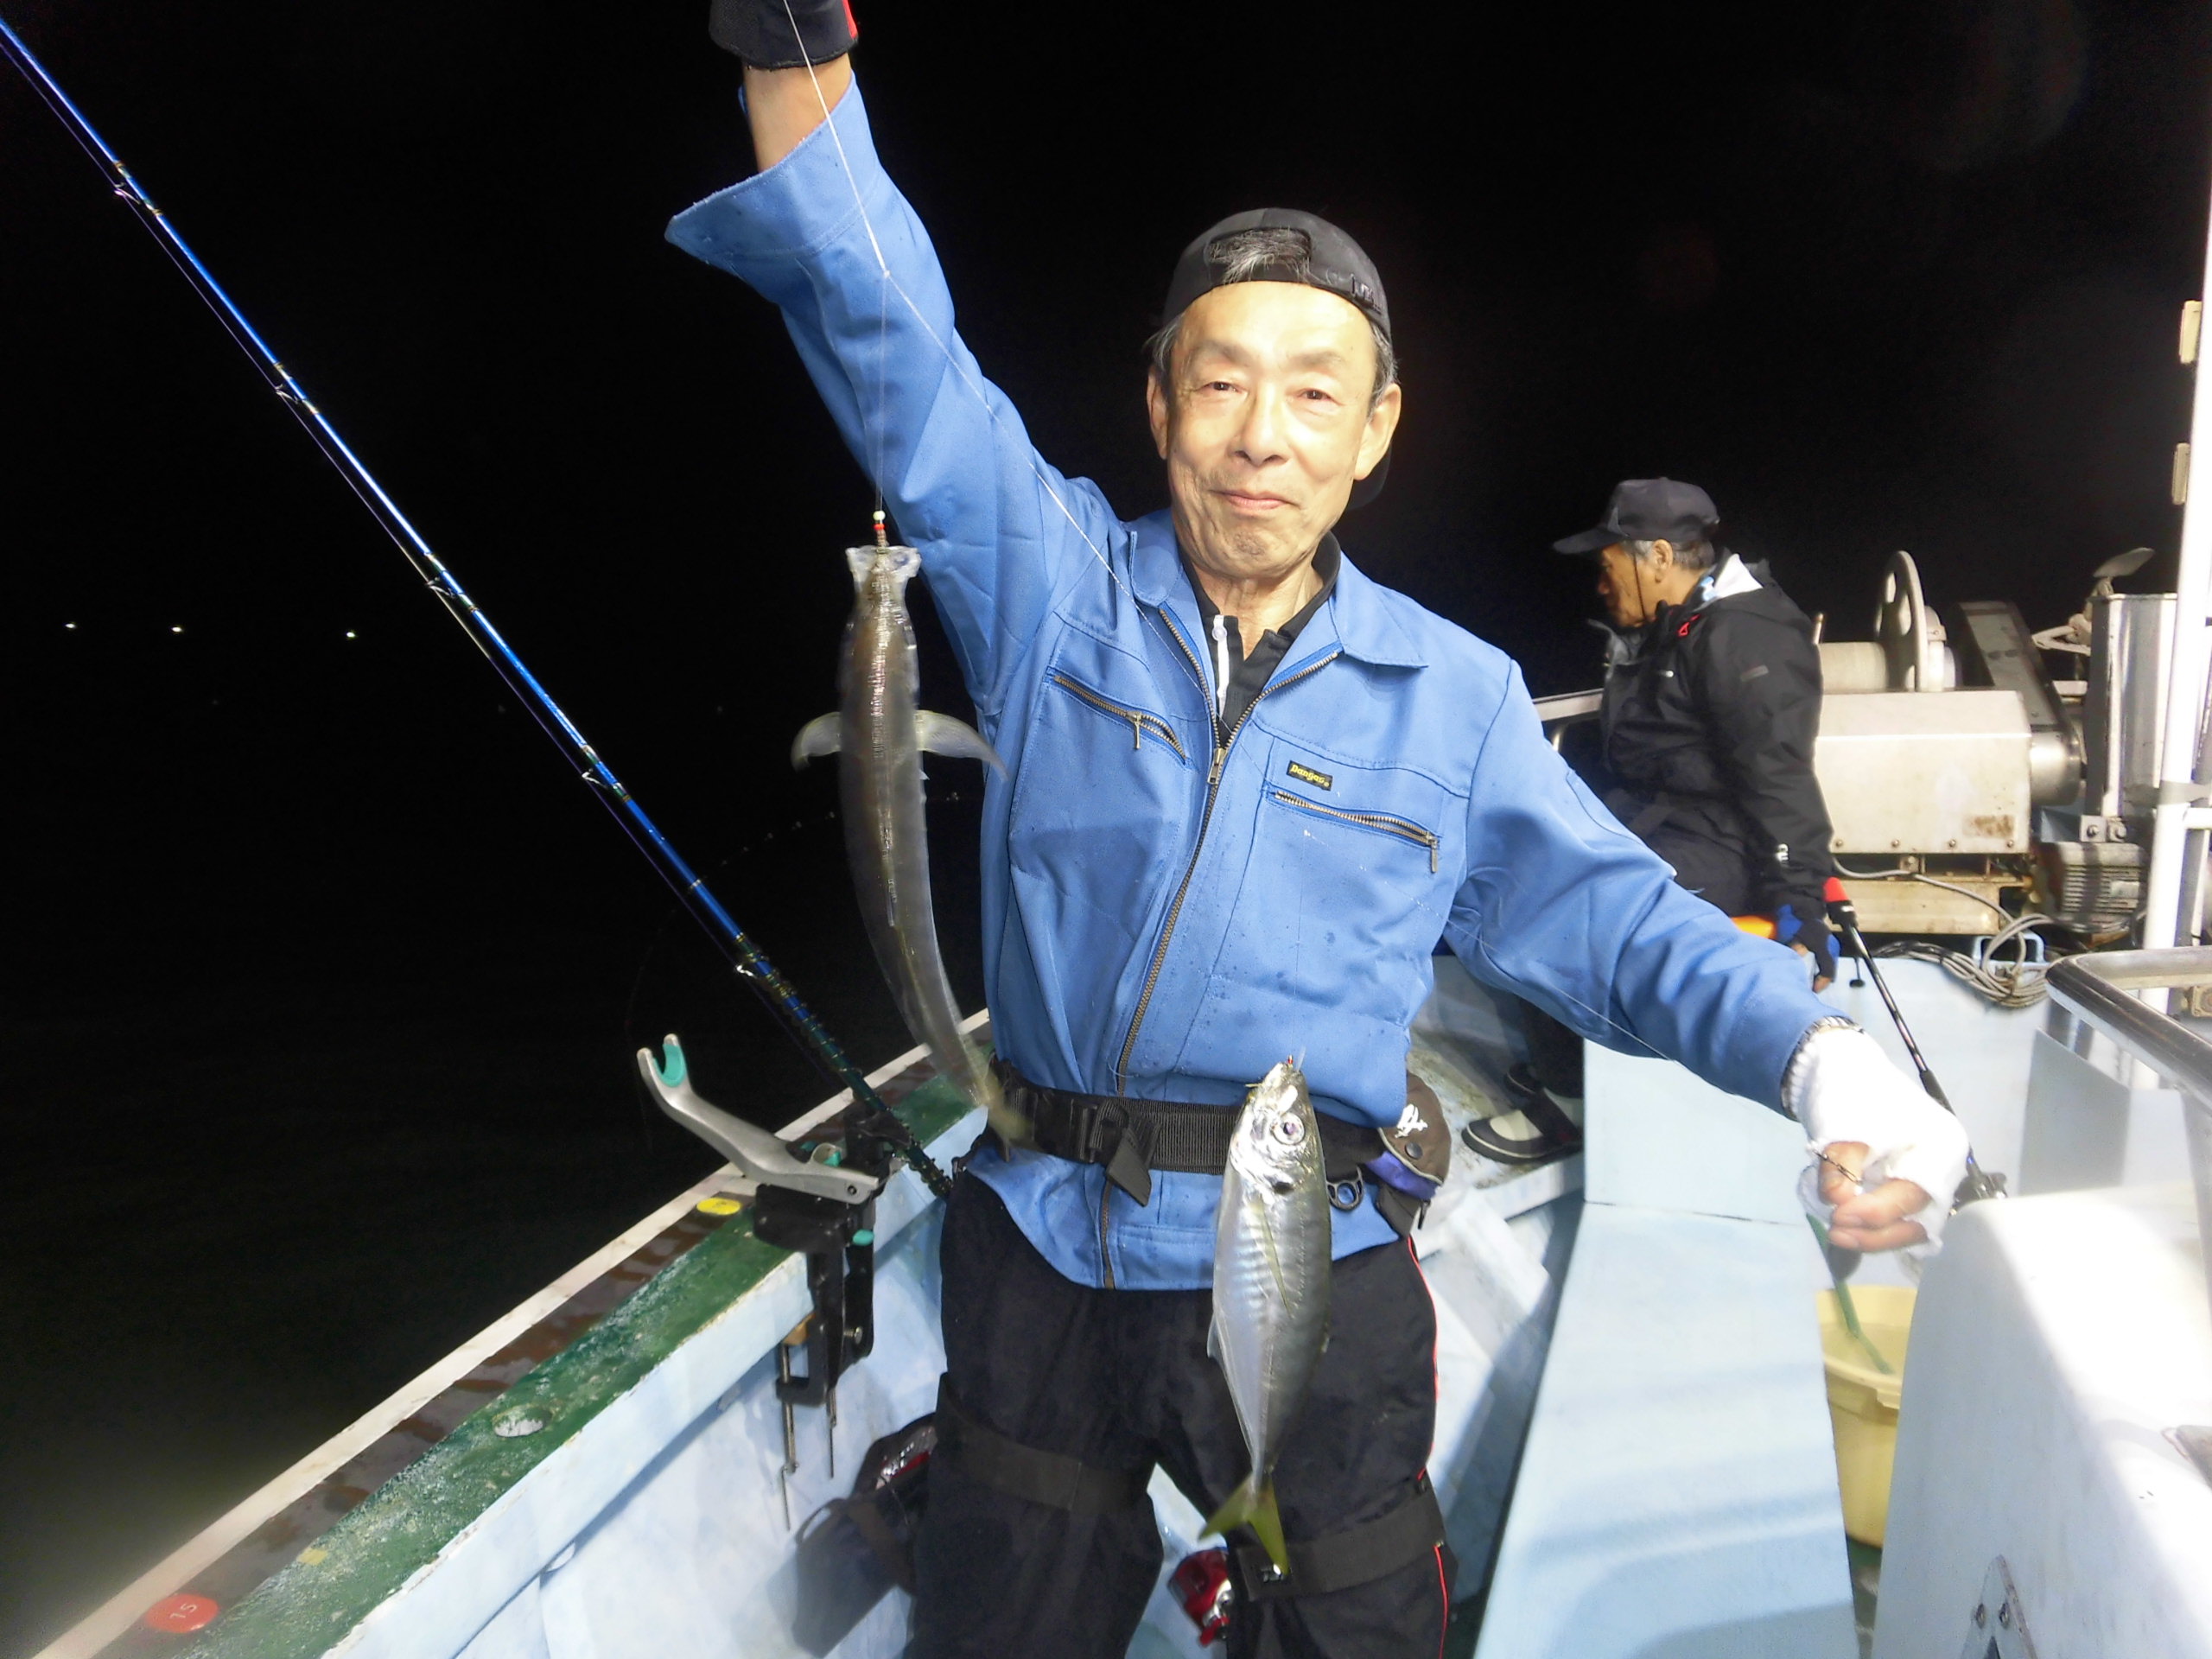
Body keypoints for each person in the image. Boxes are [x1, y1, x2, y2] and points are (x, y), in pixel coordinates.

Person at [668, 8, 1968, 1655]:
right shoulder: (1053, 591)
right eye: (1220, 382)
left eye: (1312, 392)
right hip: (1045, 1256)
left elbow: (1619, 926)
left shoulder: (1455, 696)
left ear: (1376, 431)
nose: (1261, 434)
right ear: (1159, 406)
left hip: (1311, 1260)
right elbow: (888, 329)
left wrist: (1825, 1059)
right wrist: (786, 45)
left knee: (1354, 1624)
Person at [1466, 480, 1843, 1165]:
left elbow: (1780, 775)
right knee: (1511, 859)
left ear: (1660, 557)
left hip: (1719, 848)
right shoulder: (1680, 624)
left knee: (1558, 901)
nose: (1601, 584)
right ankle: (1563, 1056)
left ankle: (1568, 1103)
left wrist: (1802, 901)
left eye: (1609, 566)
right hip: (1659, 822)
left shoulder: (1743, 634)